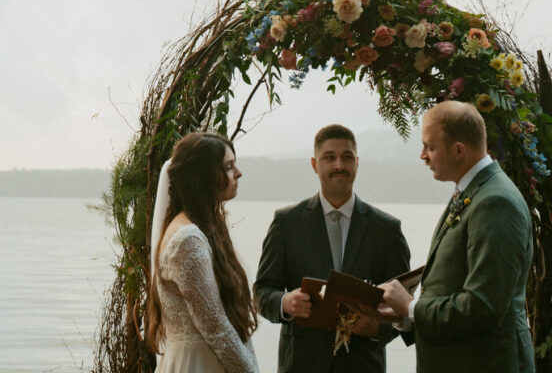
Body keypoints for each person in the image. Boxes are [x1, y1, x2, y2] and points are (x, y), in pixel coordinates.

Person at [380, 101, 535, 373]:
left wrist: (412, 307)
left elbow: (482, 307)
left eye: (430, 147)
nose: (423, 156)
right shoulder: (474, 191)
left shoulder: (495, 202)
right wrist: (405, 317)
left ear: (459, 150)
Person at [254, 123, 410, 373]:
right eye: (329, 157)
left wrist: (377, 328)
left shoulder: (387, 229)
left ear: (357, 163)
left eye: (347, 157)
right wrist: (284, 302)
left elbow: (403, 304)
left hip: (364, 365)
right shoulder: (286, 222)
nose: (339, 165)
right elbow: (262, 291)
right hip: (301, 365)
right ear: (315, 165)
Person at [147, 131, 259, 373]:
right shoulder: (188, 240)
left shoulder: (204, 228)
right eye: (228, 167)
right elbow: (216, 328)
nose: (238, 173)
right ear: (202, 177)